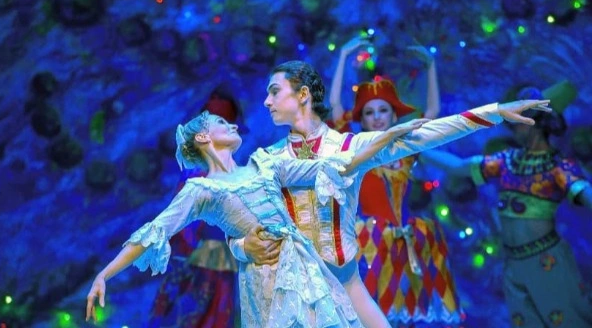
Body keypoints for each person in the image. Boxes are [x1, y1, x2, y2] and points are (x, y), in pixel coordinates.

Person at [226, 60, 550, 328]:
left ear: (302, 95)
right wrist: (242, 246)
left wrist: (496, 112)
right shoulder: (266, 160)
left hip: (347, 284)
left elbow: (428, 133)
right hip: (294, 292)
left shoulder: (349, 146)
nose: (266, 101)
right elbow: (234, 220)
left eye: (274, 91)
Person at [86, 110, 431, 327]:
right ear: (204, 137)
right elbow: (155, 230)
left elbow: (336, 166)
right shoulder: (202, 190)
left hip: (305, 268)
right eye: (222, 123)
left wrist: (387, 137)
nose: (232, 124)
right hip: (267, 281)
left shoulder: (266, 165)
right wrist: (105, 274)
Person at [421, 81, 592, 328]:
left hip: (548, 262)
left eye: (520, 120)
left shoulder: (557, 167)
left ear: (538, 122)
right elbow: (460, 167)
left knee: (566, 321)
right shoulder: (506, 161)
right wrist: (418, 149)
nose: (514, 127)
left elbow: (585, 193)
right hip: (514, 264)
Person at [328, 38, 464, 326]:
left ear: (393, 115)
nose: (377, 117)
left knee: (404, 313)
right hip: (369, 243)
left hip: (405, 240)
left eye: (383, 110)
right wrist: (343, 55)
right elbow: (336, 106)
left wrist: (431, 66)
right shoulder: (355, 149)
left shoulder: (405, 150)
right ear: (362, 119)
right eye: (369, 112)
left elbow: (432, 114)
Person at [148, 87, 244, 328]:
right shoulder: (196, 173)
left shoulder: (232, 172)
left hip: (219, 262)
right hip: (193, 261)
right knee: (186, 314)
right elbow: (182, 219)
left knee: (215, 314)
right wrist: (187, 249)